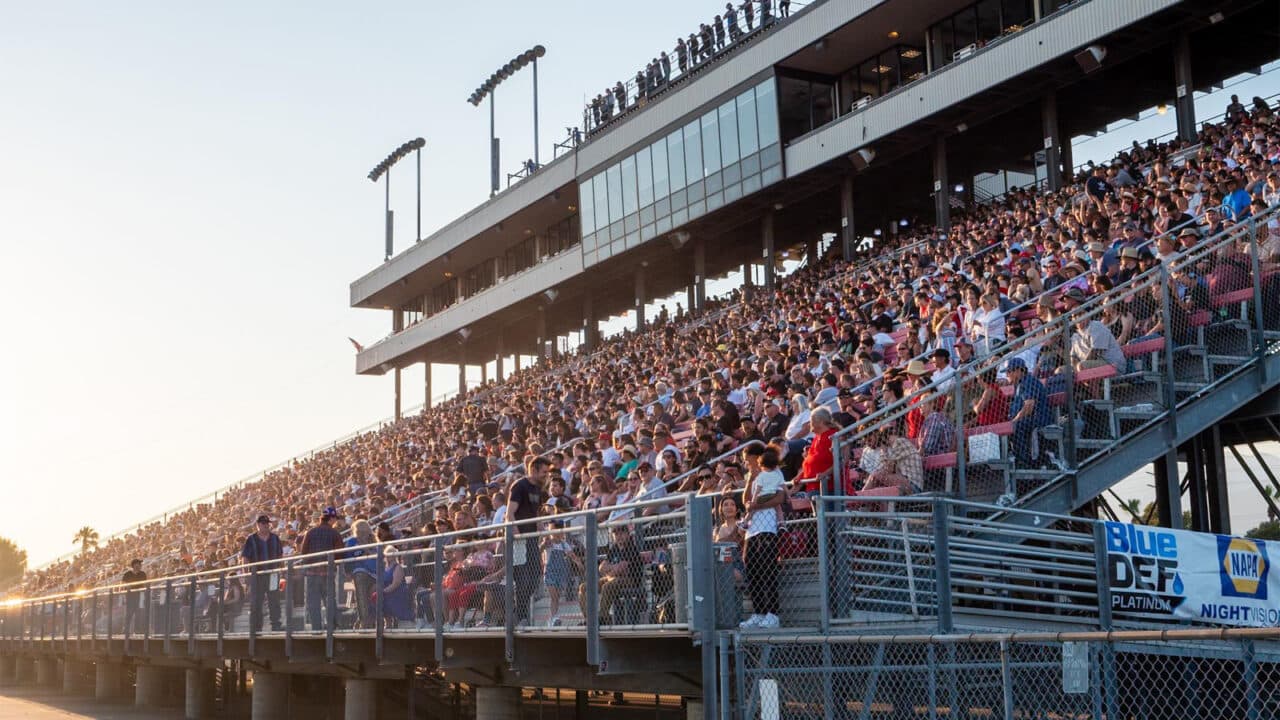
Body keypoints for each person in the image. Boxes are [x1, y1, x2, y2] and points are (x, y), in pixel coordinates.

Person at [740, 446, 785, 630]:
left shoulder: (775, 472)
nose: (746, 462)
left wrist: (756, 506)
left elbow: (780, 498)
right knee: (752, 571)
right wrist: (751, 477)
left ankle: (773, 614)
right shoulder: (754, 476)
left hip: (767, 527)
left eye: (747, 458)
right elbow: (745, 500)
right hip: (753, 530)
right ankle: (758, 612)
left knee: (768, 571)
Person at [506, 456, 548, 626]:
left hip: (531, 538)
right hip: (519, 539)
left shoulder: (537, 489)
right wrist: (517, 537)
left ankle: (518, 612)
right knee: (522, 579)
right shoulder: (520, 486)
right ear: (534, 469)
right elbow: (510, 513)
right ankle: (521, 616)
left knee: (535, 575)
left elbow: (535, 512)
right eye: (543, 472)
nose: (546, 475)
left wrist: (542, 530)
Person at [299, 507, 344, 632]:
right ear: (332, 518)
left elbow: (304, 553)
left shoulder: (310, 532)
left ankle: (316, 630)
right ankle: (331, 628)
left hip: (312, 573)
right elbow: (340, 553)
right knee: (330, 602)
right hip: (327, 573)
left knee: (313, 604)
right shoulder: (334, 533)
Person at [241, 515, 284, 633]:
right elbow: (245, 558)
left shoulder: (275, 538)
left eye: (267, 523)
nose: (266, 525)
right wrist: (246, 575)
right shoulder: (251, 539)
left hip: (273, 573)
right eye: (263, 523)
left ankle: (276, 624)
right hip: (257, 575)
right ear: (258, 524)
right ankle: (256, 627)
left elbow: (280, 555)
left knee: (274, 600)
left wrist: (282, 570)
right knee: (256, 602)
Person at [1006, 358, 1051, 468]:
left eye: (1009, 372)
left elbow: (1029, 407)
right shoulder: (1019, 384)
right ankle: (1018, 459)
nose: (1007, 375)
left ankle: (1024, 461)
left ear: (1018, 371)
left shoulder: (1028, 381)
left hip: (1038, 418)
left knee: (1016, 426)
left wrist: (1014, 421)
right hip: (1029, 419)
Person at [598, 524, 642, 625]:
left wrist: (610, 570)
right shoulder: (614, 548)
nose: (619, 536)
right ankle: (589, 619)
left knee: (607, 586)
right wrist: (613, 569)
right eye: (616, 534)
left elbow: (621, 569)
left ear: (627, 534)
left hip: (630, 581)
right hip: (613, 579)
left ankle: (602, 618)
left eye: (621, 533)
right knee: (584, 587)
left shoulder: (631, 548)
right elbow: (601, 568)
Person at [344, 519, 379, 629]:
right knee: (361, 596)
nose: (361, 534)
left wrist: (367, 550)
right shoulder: (352, 541)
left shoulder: (373, 541)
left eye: (363, 531)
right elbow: (348, 557)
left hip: (374, 573)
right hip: (359, 572)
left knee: (368, 597)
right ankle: (364, 622)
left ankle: (367, 621)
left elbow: (379, 557)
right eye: (360, 531)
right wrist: (348, 571)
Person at [370, 547, 415, 627]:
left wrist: (383, 592)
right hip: (387, 592)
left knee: (384, 598)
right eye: (387, 554)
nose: (388, 556)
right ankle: (387, 623)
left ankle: (394, 622)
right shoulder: (385, 568)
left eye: (391, 554)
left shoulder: (397, 567)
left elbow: (395, 584)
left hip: (397, 592)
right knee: (375, 598)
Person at [122, 559, 147, 635]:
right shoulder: (127, 574)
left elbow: (144, 584)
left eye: (140, 564)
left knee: (138, 613)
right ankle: (125, 629)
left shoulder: (143, 574)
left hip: (139, 595)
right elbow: (123, 584)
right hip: (130, 596)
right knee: (129, 613)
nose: (139, 565)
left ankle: (137, 630)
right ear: (134, 565)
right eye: (138, 564)